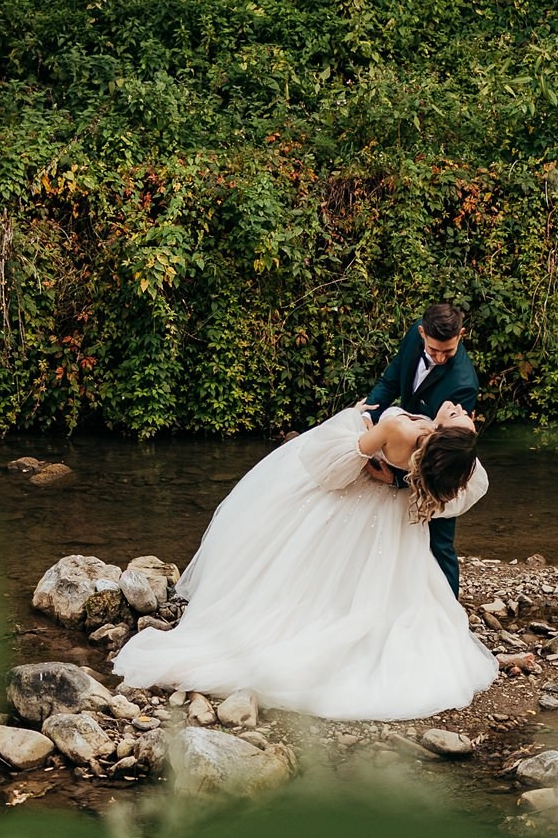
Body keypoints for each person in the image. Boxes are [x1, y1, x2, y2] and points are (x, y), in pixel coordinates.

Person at [110, 400, 495, 721]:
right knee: (376, 584)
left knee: (322, 576)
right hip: (395, 525)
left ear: (446, 433)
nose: (462, 408)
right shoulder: (444, 460)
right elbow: (451, 486)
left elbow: (336, 464)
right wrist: (399, 479)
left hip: (356, 508)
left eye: (461, 417)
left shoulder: (402, 432)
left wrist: (358, 418)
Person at [357, 303, 478, 598]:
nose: (438, 358)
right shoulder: (414, 335)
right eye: (433, 350)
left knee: (440, 540)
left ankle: (448, 610)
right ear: (422, 332)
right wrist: (368, 419)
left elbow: (448, 456)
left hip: (439, 468)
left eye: (447, 352)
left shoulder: (463, 386)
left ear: (461, 335)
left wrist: (399, 480)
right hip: (403, 438)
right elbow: (390, 381)